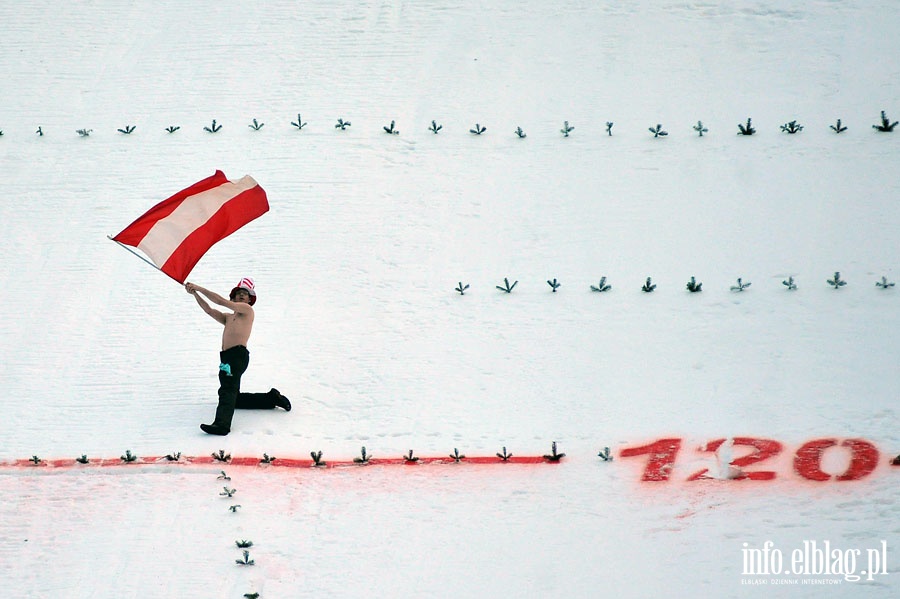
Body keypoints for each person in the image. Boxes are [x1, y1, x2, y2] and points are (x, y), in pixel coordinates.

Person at [184, 277, 291, 436]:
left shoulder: (247, 311)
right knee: (233, 397)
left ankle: (222, 425)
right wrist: (195, 294)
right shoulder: (229, 318)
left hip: (237, 355)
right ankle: (271, 399)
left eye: (245, 294)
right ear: (233, 297)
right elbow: (210, 310)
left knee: (227, 391)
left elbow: (219, 301)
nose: (241, 295)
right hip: (226, 357)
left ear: (249, 300)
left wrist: (198, 287)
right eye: (238, 293)